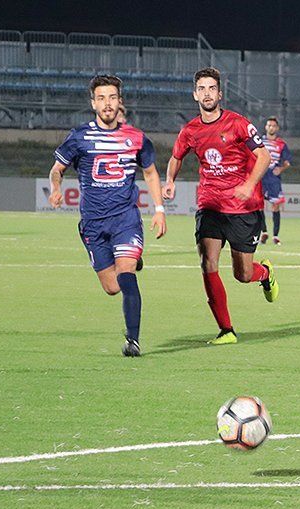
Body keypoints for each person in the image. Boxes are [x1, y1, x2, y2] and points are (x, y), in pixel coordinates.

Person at [49, 74, 167, 357]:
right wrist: (55, 187)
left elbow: (150, 172)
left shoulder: (136, 138)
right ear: (93, 103)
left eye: (112, 98)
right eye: (101, 98)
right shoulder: (79, 137)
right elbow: (57, 169)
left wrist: (159, 209)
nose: (107, 103)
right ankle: (132, 263)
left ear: (120, 102)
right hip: (93, 223)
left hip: (125, 218)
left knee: (126, 274)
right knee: (112, 287)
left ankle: (133, 340)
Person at [163, 67, 279, 345]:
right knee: (207, 262)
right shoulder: (190, 130)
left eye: (211, 88)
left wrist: (249, 184)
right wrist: (170, 180)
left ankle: (265, 274)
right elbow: (176, 156)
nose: (207, 93)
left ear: (220, 93)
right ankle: (226, 330)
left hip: (243, 206)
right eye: (201, 88)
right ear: (195, 94)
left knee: (243, 274)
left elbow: (263, 156)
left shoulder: (238, 123)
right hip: (210, 204)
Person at [258, 116, 293, 245]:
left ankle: (276, 235)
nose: (271, 127)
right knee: (258, 204)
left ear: (277, 128)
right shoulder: (259, 141)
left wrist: (281, 169)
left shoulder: (281, 144)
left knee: (275, 205)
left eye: (273, 126)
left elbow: (287, 162)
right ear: (266, 127)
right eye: (269, 125)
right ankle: (264, 232)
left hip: (273, 178)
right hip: (261, 175)